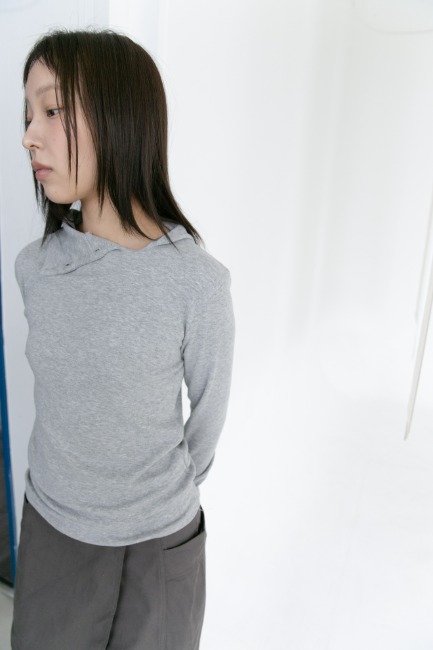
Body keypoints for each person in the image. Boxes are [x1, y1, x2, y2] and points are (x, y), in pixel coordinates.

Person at [11, 27, 235, 650]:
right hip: (54, 535)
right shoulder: (35, 269)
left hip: (160, 547)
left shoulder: (197, 281)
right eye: (27, 114)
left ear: (118, 117)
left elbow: (207, 420)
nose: (28, 135)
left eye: (52, 110)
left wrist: (147, 501)